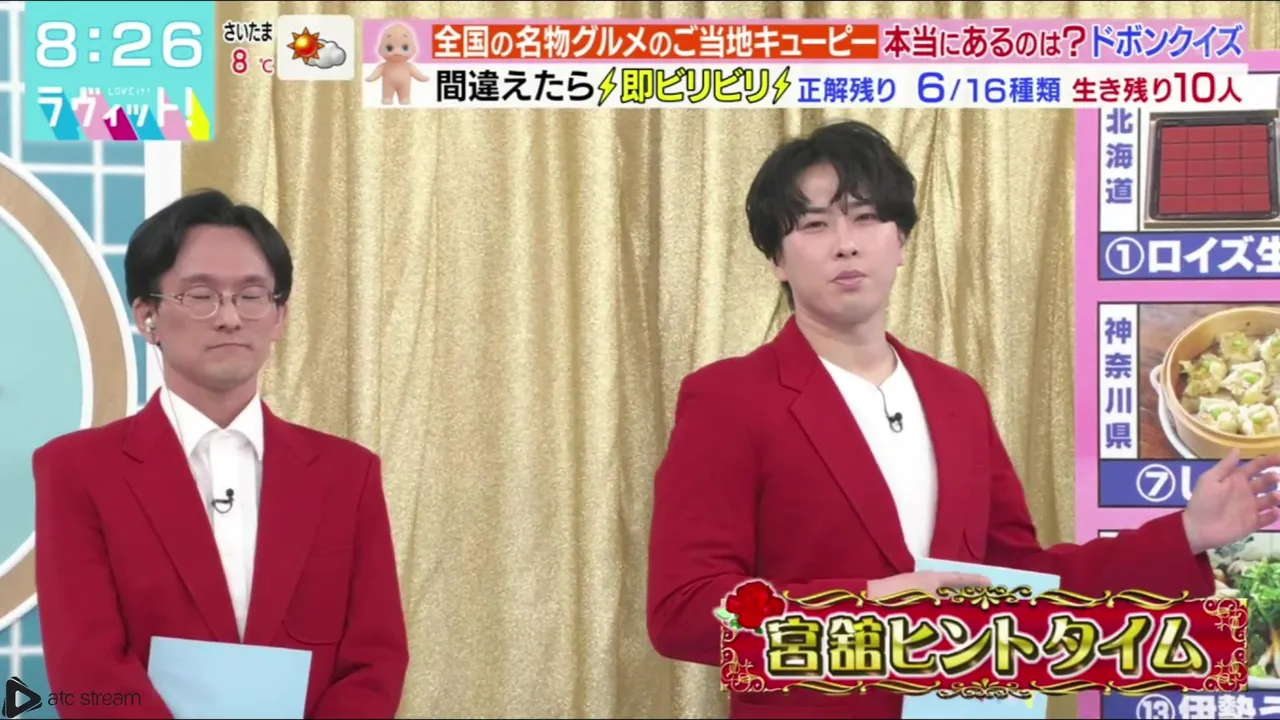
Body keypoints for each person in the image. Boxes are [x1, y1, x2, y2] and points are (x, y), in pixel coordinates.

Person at [645, 120, 1280, 719]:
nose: (846, 242)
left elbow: (1020, 580)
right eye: (814, 225)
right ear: (777, 259)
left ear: (900, 241)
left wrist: (1186, 533)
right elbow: (684, 610)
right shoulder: (728, 398)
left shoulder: (956, 397)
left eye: (866, 217)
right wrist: (867, 604)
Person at [33, 189, 409, 719]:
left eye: (252, 295)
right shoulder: (76, 470)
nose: (230, 317)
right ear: (147, 316)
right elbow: (86, 668)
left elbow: (375, 659)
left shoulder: (348, 474)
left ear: (279, 316)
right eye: (201, 295)